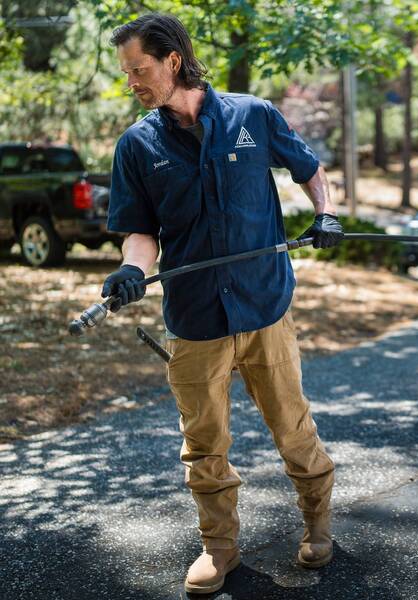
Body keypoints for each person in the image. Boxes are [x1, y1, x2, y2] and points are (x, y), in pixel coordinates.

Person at [102, 13, 343, 594]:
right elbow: (140, 232)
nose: (132, 81)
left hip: (264, 307)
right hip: (195, 318)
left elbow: (310, 171)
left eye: (139, 69)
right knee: (203, 443)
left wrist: (325, 213)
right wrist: (133, 270)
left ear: (173, 61)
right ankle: (220, 548)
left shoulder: (252, 115)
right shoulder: (137, 144)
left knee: (293, 427)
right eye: (127, 72)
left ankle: (318, 525)